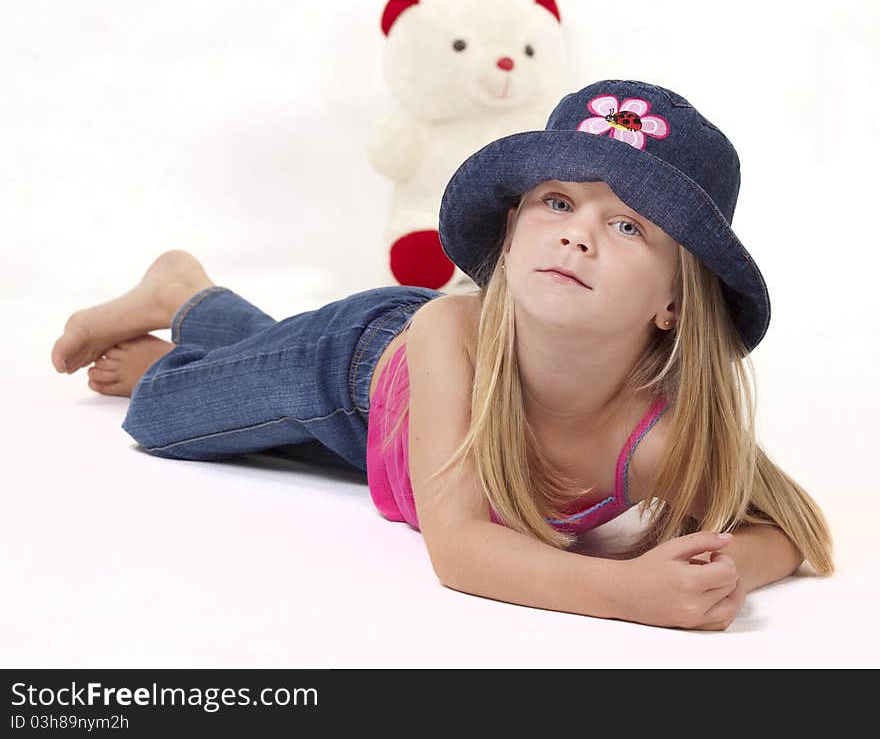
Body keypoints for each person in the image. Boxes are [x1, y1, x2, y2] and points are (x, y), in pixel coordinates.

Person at [51, 79, 834, 631]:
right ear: (514, 227)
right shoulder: (449, 331)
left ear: (674, 303)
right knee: (156, 408)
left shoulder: (658, 440)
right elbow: (458, 551)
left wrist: (723, 576)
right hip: (355, 374)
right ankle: (185, 294)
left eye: (629, 226)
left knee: (237, 384)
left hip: (405, 463)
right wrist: (629, 591)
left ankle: (202, 307)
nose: (578, 232)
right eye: (557, 201)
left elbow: (791, 529)